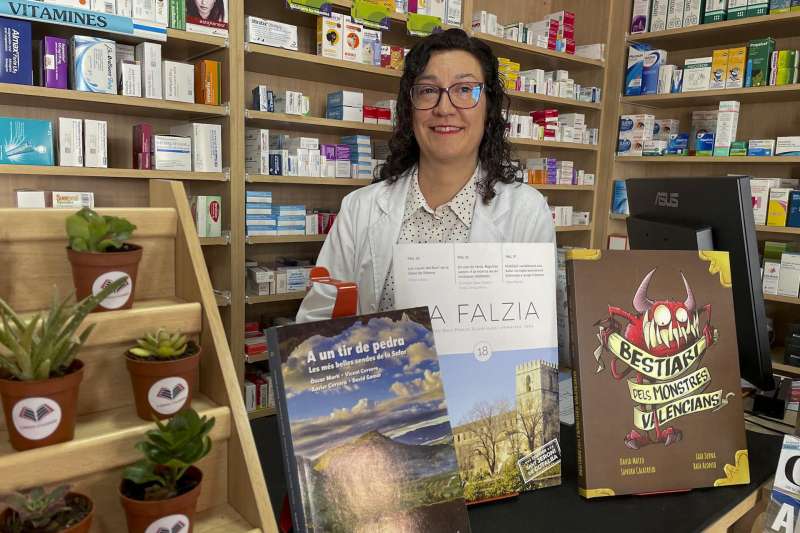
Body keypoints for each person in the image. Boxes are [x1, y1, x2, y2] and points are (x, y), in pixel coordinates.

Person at [297, 29, 555, 321]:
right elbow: (318, 321)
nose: (444, 109)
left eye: (464, 89)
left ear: (489, 107)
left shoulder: (526, 212)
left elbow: (535, 331)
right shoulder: (360, 208)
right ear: (411, 107)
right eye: (429, 90)